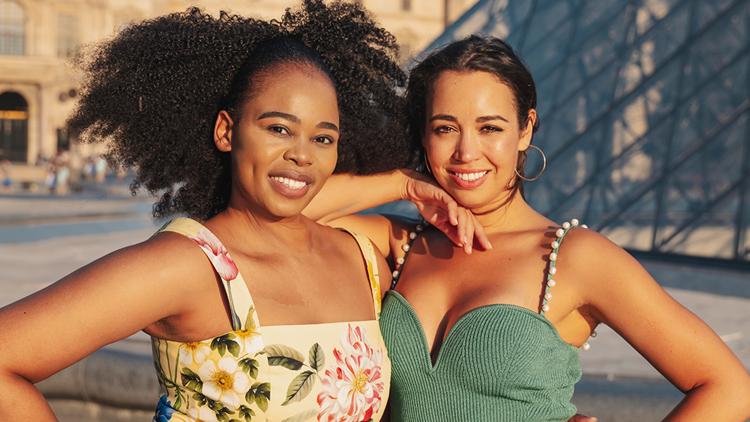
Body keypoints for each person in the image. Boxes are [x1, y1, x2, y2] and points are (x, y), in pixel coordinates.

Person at [0, 2, 425, 421]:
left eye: (323, 138)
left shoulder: (363, 259)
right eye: (278, 128)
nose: (301, 155)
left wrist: (403, 184)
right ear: (226, 131)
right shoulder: (188, 265)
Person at [304, 36, 750, 420]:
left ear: (525, 130)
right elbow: (284, 211)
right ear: (423, 135)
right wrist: (403, 183)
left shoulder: (574, 257)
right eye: (445, 128)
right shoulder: (398, 242)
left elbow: (729, 387)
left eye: (490, 127)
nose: (466, 152)